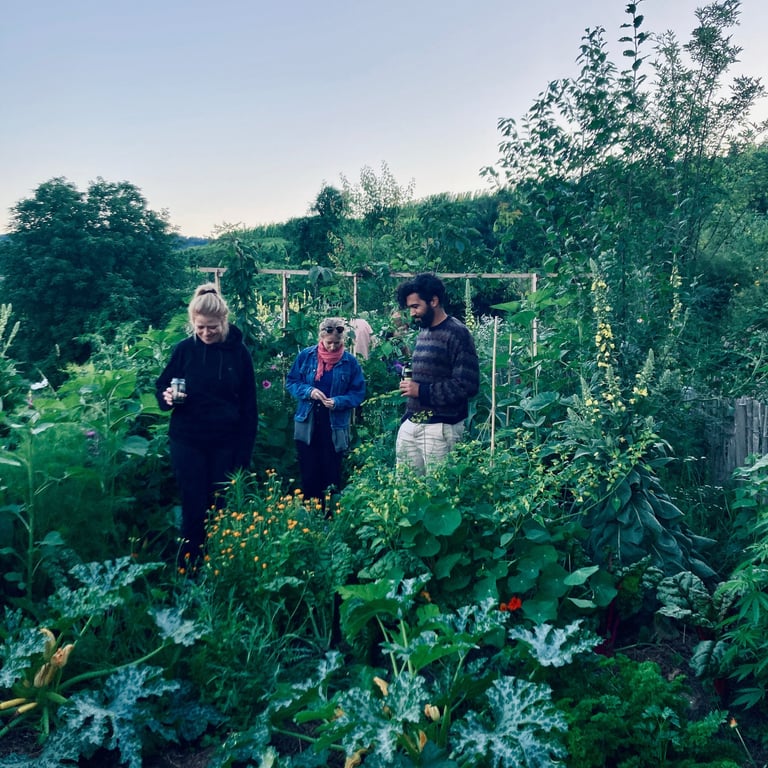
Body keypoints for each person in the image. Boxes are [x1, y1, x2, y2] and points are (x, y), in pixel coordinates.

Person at [155, 283, 257, 570]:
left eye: (212, 327)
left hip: (225, 441)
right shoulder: (184, 350)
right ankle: (189, 568)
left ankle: (219, 566)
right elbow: (162, 386)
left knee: (220, 504)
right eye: (200, 327)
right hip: (187, 440)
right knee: (193, 504)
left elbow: (249, 408)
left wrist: (243, 455)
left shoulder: (239, 354)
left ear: (224, 321)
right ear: (193, 323)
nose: (206, 333)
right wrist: (166, 397)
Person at [395, 273, 480, 473]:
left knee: (438, 489)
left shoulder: (457, 333)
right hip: (412, 423)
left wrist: (421, 391)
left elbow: (467, 385)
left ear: (433, 301)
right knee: (405, 487)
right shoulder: (424, 332)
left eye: (416, 306)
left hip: (440, 428)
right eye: (410, 308)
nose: (412, 313)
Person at [286, 317, 366, 512]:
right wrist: (309, 391)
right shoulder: (306, 356)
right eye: (329, 342)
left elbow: (358, 393)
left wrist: (339, 401)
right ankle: (311, 513)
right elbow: (292, 382)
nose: (332, 347)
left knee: (331, 469)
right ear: (321, 338)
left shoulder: (349, 362)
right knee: (309, 469)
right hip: (308, 420)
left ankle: (330, 515)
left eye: (337, 343)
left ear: (343, 340)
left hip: (334, 423)